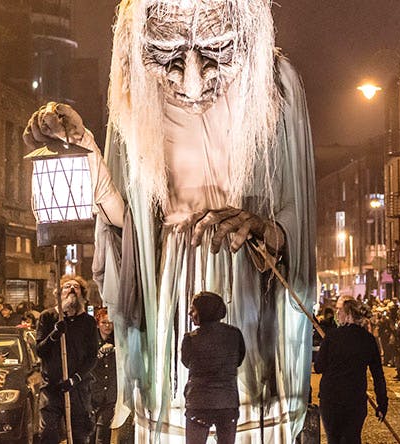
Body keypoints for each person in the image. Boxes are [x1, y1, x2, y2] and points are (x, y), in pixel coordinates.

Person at [23, 1, 316, 440]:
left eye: (216, 53)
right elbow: (132, 227)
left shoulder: (277, 84)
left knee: (249, 400)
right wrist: (84, 148)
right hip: (170, 277)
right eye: (169, 57)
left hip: (246, 271)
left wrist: (261, 227)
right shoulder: (133, 91)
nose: (192, 83)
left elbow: (297, 210)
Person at [315, 298, 388, 444]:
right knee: (352, 438)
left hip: (331, 399)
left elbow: (319, 367)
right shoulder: (368, 339)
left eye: (340, 311)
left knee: (334, 439)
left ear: (348, 315)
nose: (337, 314)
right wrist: (382, 403)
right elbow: (378, 375)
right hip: (355, 399)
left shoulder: (332, 336)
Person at [36, 275, 97, 444]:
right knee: (48, 433)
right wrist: (55, 334)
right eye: (67, 286)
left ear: (82, 295)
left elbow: (92, 356)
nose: (71, 289)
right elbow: (40, 350)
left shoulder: (88, 322)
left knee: (79, 434)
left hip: (77, 388)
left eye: (76, 287)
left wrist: (75, 378)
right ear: (59, 293)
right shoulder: (47, 317)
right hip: (51, 388)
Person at [180, 292, 246, 444]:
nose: (190, 313)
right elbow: (238, 360)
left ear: (203, 311)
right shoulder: (234, 334)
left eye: (193, 309)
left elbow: (186, 362)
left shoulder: (190, 339)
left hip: (199, 403)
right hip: (227, 402)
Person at [90, 308, 117, 444]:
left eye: (110, 323)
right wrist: (99, 354)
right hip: (93, 394)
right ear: (98, 324)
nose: (107, 326)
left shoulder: (118, 340)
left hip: (110, 396)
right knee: (90, 432)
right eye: (104, 322)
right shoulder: (90, 342)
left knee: (103, 433)